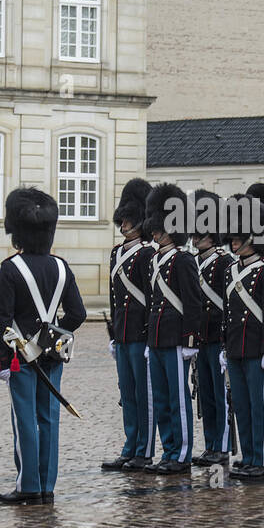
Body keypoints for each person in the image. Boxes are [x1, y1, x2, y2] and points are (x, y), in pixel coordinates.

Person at [0, 188, 86, 504]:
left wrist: (2, 360)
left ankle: (29, 485)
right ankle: (47, 485)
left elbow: (3, 319)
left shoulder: (10, 268)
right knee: (48, 418)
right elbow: (78, 313)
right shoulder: (61, 266)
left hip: (21, 356)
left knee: (25, 419)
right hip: (52, 357)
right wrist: (53, 339)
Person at [225, 184, 264, 482]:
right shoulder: (233, 270)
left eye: (240, 235)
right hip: (237, 347)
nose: (234, 241)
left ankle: (263, 458)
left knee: (260, 405)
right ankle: (249, 455)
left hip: (257, 349)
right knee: (243, 404)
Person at [142, 183, 203, 474]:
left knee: (178, 401)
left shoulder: (183, 259)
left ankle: (181, 454)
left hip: (176, 339)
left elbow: (193, 303)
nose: (154, 233)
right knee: (162, 399)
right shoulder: (155, 260)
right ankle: (168, 450)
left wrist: (191, 340)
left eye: (159, 228)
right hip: (156, 338)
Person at [103, 178, 156, 472]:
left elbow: (150, 296)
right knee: (126, 392)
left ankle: (144, 450)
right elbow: (114, 296)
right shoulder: (116, 253)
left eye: (129, 218)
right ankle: (130, 445)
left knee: (142, 394)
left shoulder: (147, 253)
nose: (124, 223)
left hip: (140, 332)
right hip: (123, 333)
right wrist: (114, 335)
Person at [191, 188, 235, 466]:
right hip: (201, 337)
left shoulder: (224, 263)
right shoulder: (194, 262)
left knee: (221, 397)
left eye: (201, 232)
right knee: (205, 396)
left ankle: (223, 445)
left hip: (218, 337)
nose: (196, 238)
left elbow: (230, 304)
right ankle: (210, 444)